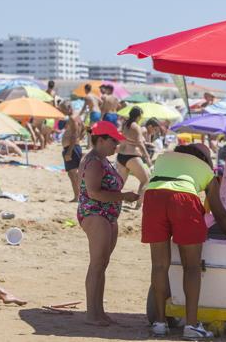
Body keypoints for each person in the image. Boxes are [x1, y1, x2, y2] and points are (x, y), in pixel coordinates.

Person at [142, 143, 226, 339]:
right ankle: (191, 325)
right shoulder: (206, 170)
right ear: (205, 158)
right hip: (183, 200)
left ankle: (160, 323)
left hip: (153, 196)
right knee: (192, 267)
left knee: (159, 265)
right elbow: (220, 215)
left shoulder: (164, 157)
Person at [77, 121, 139, 326]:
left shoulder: (100, 159)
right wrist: (124, 196)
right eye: (114, 141)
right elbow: (94, 192)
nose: (117, 145)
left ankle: (98, 311)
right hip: (96, 214)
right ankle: (92, 314)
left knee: (102, 264)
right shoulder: (94, 161)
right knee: (97, 264)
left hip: (105, 215)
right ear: (101, 139)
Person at [117, 106, 151, 210]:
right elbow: (140, 143)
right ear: (138, 116)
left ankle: (113, 202)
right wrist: (147, 156)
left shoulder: (125, 124)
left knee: (120, 184)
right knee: (145, 180)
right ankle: (138, 205)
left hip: (121, 156)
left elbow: (123, 138)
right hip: (132, 156)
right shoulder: (136, 126)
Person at [61, 101, 84, 202]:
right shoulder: (78, 117)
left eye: (63, 109)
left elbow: (74, 134)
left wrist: (69, 152)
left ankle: (77, 197)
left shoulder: (72, 118)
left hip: (72, 148)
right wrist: (80, 138)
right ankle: (78, 196)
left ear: (69, 108)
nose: (62, 112)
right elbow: (84, 128)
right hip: (75, 147)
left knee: (73, 174)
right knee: (75, 174)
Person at [81, 84, 103, 148]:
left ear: (85, 89)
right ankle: (96, 144)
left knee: (89, 130)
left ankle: (89, 145)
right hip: (99, 113)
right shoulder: (95, 95)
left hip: (93, 112)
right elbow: (101, 102)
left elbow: (84, 107)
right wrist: (98, 107)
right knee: (97, 130)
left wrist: (79, 114)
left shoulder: (87, 96)